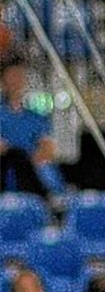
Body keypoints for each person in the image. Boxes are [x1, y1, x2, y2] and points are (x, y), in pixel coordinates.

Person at [0, 54, 57, 199]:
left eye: (19, 75)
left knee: (44, 169)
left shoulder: (35, 116)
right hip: (5, 167)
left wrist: (33, 159)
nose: (16, 80)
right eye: (11, 75)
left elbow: (47, 148)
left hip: (31, 170)